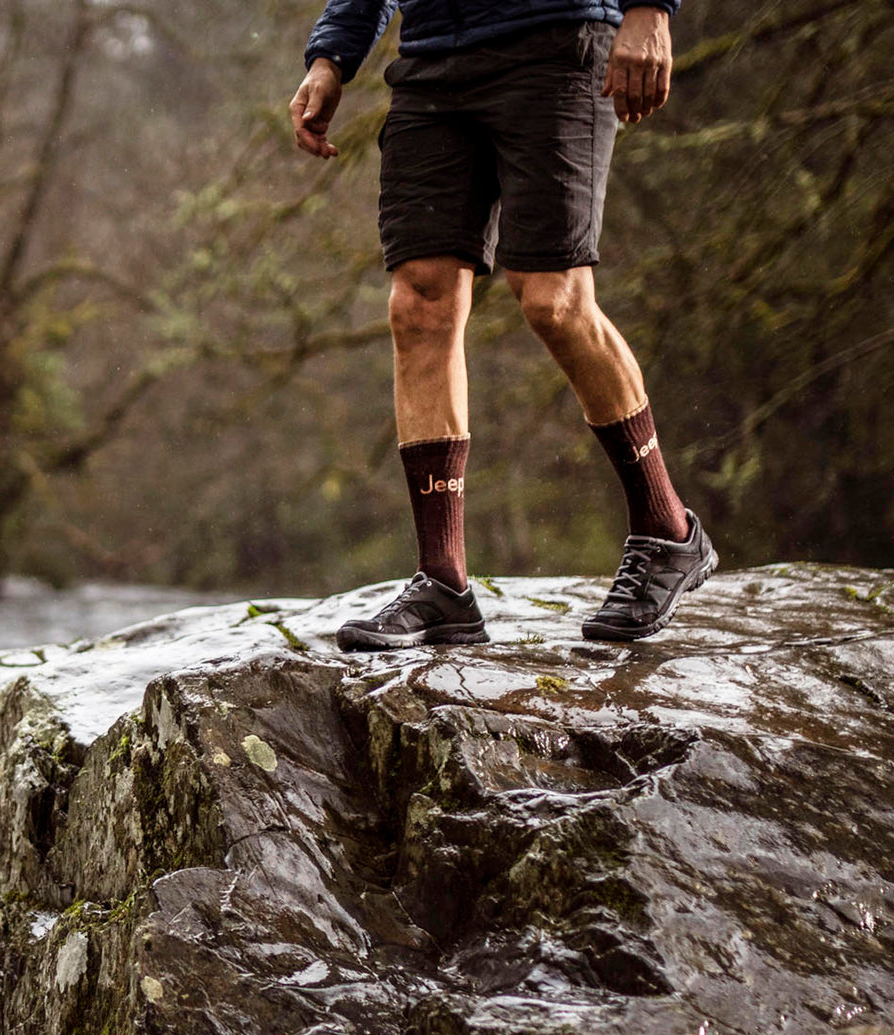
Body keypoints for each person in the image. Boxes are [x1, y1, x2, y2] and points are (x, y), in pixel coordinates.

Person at [289, 0, 717, 650]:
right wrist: (331, 55)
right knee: (419, 302)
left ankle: (667, 530)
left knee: (554, 298)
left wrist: (650, 8)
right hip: (433, 54)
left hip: (557, 40)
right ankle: (443, 583)